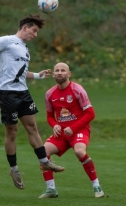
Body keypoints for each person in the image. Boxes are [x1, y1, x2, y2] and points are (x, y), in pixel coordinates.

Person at [0, 14, 64, 190]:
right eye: (34, 30)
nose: (35, 35)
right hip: (7, 94)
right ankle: (14, 169)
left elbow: (21, 72)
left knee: (32, 127)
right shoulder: (6, 40)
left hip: (23, 93)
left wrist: (37, 75)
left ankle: (44, 161)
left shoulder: (25, 49)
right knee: (12, 132)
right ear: (24, 28)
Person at [38, 62, 104, 198]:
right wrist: (54, 125)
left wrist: (73, 128)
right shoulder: (49, 94)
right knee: (43, 153)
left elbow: (91, 113)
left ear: (69, 74)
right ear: (53, 74)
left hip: (79, 130)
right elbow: (50, 116)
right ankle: (51, 189)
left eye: (63, 70)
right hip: (62, 133)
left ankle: (97, 186)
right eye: (57, 70)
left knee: (79, 151)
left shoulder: (77, 90)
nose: (60, 72)